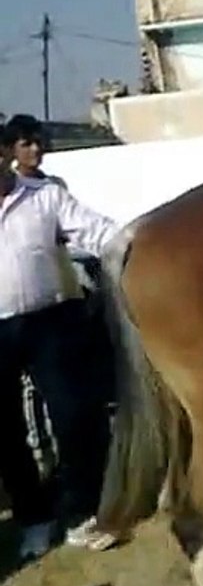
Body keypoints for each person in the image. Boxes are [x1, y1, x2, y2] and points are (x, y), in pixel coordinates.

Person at [0, 121, 120, 560]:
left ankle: (84, 512)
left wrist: (146, 244)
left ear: (5, 154)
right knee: (5, 431)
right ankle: (34, 517)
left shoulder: (45, 196)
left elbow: (98, 231)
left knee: (75, 417)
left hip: (52, 321)